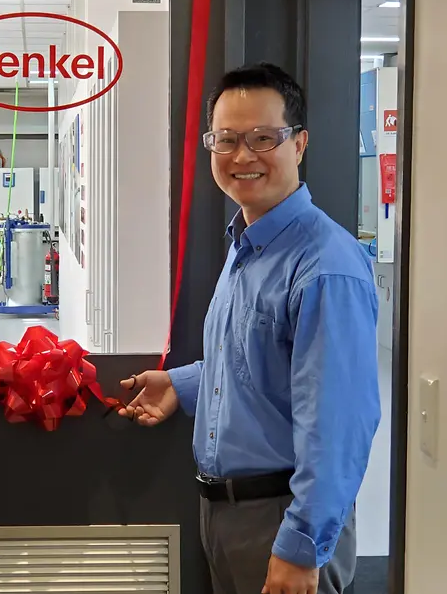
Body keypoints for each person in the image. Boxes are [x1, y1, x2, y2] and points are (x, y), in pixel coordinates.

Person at [119, 63, 380, 594]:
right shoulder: (248, 245)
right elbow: (251, 357)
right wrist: (181, 384)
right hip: (227, 517)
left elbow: (339, 423)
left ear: (299, 144)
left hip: (283, 519)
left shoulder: (324, 264)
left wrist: (301, 546)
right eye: (227, 139)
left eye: (264, 138)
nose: (243, 156)